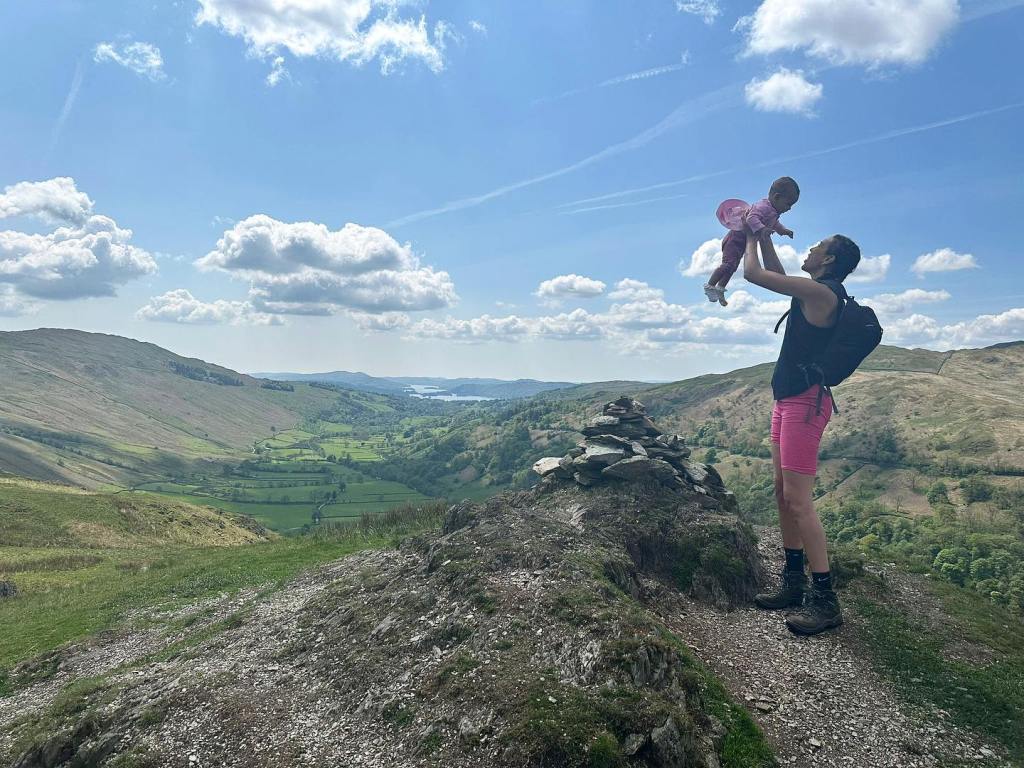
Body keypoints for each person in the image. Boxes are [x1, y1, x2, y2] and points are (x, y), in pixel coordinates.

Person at [742, 223, 861, 636]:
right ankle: (793, 583)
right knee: (782, 493)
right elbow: (777, 272)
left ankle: (825, 600)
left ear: (829, 259)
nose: (809, 250)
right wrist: (764, 233)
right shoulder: (814, 289)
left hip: (804, 405)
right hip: (788, 400)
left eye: (817, 247)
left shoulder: (823, 294)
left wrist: (751, 237)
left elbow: (755, 275)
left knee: (798, 500)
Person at [705, 177, 799, 306]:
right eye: (788, 204)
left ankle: (720, 288)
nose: (789, 208)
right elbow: (751, 218)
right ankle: (710, 285)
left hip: (742, 243)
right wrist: (762, 229)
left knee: (732, 267)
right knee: (727, 265)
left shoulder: (773, 211)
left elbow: (775, 224)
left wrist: (784, 231)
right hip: (734, 240)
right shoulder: (763, 207)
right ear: (776, 197)